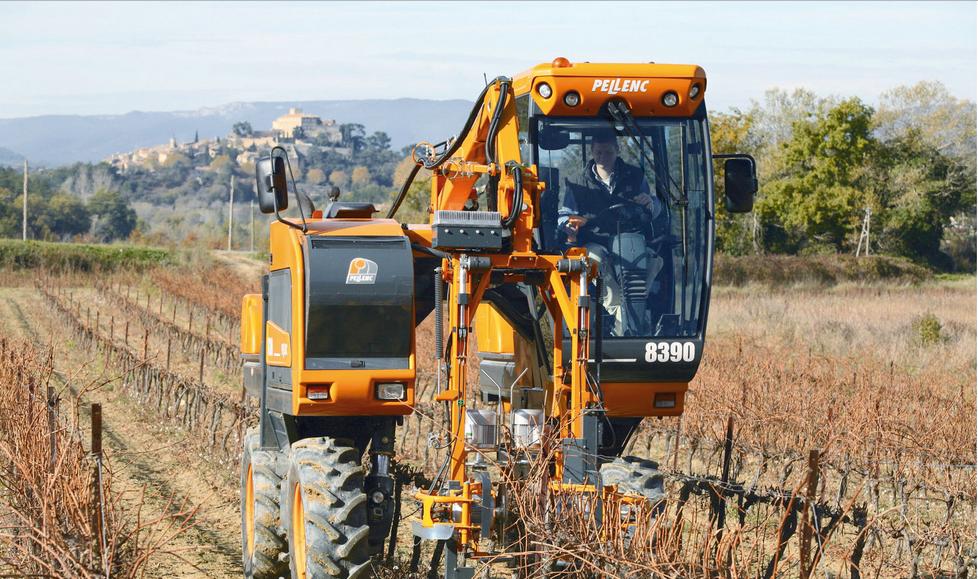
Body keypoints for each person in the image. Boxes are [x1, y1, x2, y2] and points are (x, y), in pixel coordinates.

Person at [557, 132, 667, 336]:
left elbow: (653, 207)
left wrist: (651, 204)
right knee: (594, 260)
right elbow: (564, 214)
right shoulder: (576, 182)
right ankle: (622, 318)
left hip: (629, 238)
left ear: (617, 151)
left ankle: (635, 305)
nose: (603, 157)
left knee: (653, 260)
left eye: (608, 152)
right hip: (594, 240)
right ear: (592, 152)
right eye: (598, 152)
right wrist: (568, 225)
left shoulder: (635, 176)